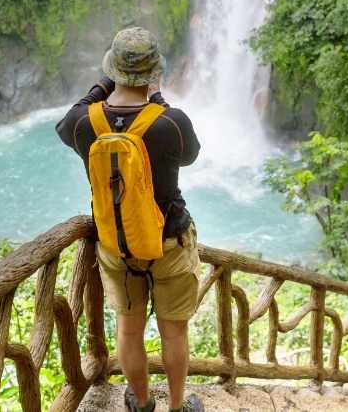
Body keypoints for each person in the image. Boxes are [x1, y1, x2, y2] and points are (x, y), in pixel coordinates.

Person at [56, 27, 203, 412]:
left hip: (115, 244)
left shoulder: (85, 122)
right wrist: (157, 97)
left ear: (113, 70)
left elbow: (66, 121)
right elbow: (190, 155)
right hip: (169, 241)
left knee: (128, 328)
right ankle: (176, 406)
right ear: (155, 72)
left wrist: (103, 86)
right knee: (174, 332)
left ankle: (139, 401)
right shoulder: (170, 122)